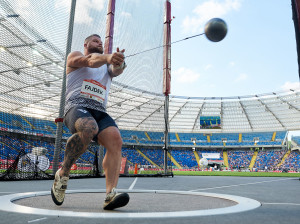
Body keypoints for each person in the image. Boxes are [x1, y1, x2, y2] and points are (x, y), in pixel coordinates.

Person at [51, 34, 129, 210]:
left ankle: (110, 194)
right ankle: (63, 173)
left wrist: (119, 63)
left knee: (116, 140)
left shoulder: (106, 67)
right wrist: (109, 57)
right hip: (76, 106)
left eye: (101, 43)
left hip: (99, 110)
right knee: (89, 127)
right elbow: (90, 61)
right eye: (95, 41)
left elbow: (115, 71)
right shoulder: (76, 56)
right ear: (86, 44)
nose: (99, 44)